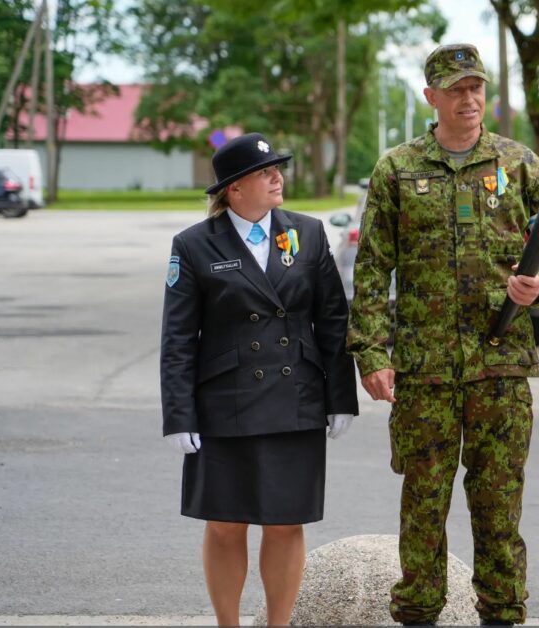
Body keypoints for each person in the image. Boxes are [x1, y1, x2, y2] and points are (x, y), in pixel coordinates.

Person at [348, 44, 539, 626]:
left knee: (499, 506)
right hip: (423, 371)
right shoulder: (397, 169)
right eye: (455, 89)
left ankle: (503, 612)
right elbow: (373, 266)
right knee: (423, 505)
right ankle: (419, 613)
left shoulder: (519, 163)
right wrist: (372, 353)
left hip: (500, 366)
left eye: (476, 87)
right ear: (432, 97)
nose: (468, 99)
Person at [160, 132, 358, 626]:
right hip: (225, 403)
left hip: (296, 399)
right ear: (233, 189)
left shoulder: (308, 234)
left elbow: (333, 320)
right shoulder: (193, 245)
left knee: (286, 523)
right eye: (264, 172)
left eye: (278, 169)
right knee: (226, 524)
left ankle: (279, 624)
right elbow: (178, 338)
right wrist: (179, 414)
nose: (277, 178)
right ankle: (228, 624)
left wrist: (341, 396)